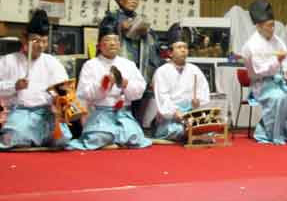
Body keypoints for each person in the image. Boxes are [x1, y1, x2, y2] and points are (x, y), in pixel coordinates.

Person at [67, 13, 151, 150]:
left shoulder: (128, 64)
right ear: (99, 45)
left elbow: (140, 90)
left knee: (133, 138)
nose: (112, 43)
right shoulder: (91, 65)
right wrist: (104, 84)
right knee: (99, 137)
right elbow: (83, 94)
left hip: (123, 113)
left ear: (119, 44)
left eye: (115, 41)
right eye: (107, 40)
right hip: (100, 113)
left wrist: (126, 84)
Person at [0, 9, 72, 149]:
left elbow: (64, 88)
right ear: (24, 39)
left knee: (63, 139)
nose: (40, 45)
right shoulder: (7, 61)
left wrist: (60, 96)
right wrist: (14, 86)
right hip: (20, 113)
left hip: (47, 114)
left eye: (44, 41)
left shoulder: (52, 62)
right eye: (36, 41)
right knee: (14, 137)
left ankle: (38, 140)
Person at [241, 0, 287, 145]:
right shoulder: (251, 45)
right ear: (259, 26)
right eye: (269, 26)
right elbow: (260, 70)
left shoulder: (277, 40)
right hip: (261, 84)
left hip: (278, 81)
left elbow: (286, 57)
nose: (272, 29)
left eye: (273, 25)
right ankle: (268, 134)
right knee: (279, 98)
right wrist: (276, 61)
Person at [151, 23, 210, 142]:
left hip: (190, 113)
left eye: (185, 47)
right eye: (179, 47)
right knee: (176, 129)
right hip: (171, 116)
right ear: (170, 52)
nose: (183, 50)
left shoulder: (195, 70)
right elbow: (163, 98)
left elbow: (203, 92)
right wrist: (176, 113)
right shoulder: (162, 71)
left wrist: (197, 102)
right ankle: (191, 135)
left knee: (209, 126)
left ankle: (193, 134)